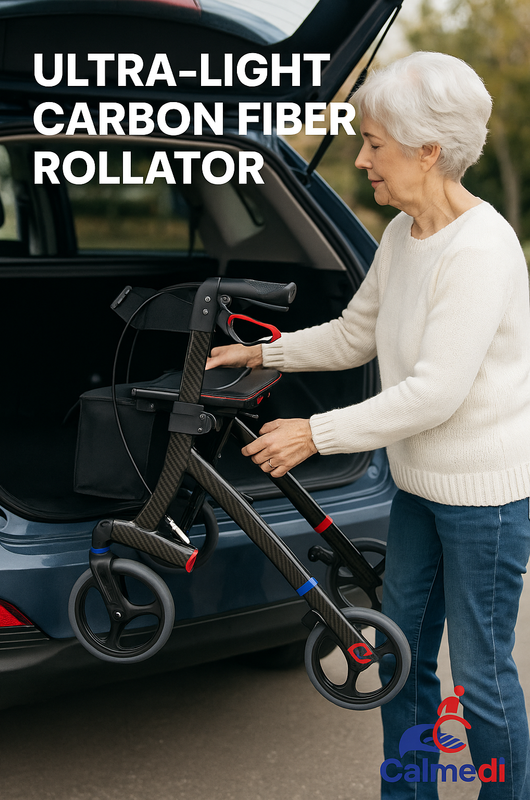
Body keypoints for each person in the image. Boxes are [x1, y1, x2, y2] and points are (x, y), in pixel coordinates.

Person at [206, 51, 530, 799]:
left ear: (426, 148)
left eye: (374, 144)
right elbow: (355, 335)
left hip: (485, 501)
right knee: (396, 657)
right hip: (418, 488)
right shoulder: (399, 238)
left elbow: (433, 394)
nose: (360, 160)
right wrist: (262, 351)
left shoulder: (481, 250)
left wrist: (313, 434)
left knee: (479, 682)